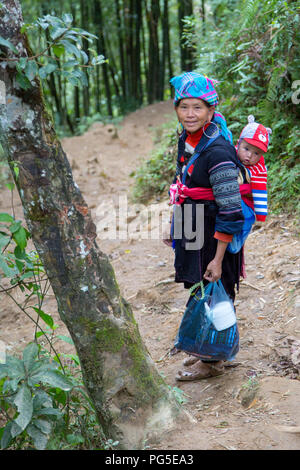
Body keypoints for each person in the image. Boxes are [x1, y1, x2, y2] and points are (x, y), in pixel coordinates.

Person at [166, 71, 246, 381]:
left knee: (218, 286)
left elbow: (230, 209)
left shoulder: (219, 152)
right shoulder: (186, 138)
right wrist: (173, 223)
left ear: (211, 110)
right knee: (199, 286)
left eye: (197, 107)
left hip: (213, 230)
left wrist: (218, 257)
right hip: (192, 222)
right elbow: (180, 180)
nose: (190, 114)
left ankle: (213, 362)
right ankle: (213, 349)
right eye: (184, 106)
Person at [236, 115, 272, 223]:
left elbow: (259, 190)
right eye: (246, 149)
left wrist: (261, 215)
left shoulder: (258, 170)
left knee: (239, 238)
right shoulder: (228, 157)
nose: (250, 155)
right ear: (238, 143)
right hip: (224, 209)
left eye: (256, 153)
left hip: (246, 210)